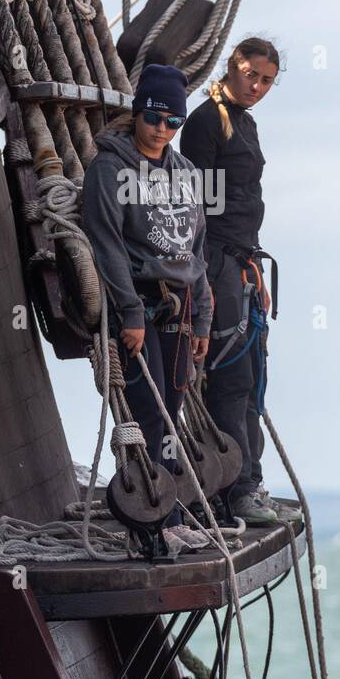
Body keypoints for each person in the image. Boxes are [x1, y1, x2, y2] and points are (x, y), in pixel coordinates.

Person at [82, 64, 213, 553]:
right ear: (139, 113)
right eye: (154, 118)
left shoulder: (185, 174)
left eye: (172, 123)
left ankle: (169, 511)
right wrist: (130, 314)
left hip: (180, 312)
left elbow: (195, 252)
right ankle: (147, 524)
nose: (162, 129)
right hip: (137, 308)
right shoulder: (110, 169)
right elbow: (106, 244)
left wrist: (201, 316)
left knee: (172, 409)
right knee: (147, 414)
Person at [181, 38, 300, 525]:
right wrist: (208, 277)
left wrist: (250, 264)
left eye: (267, 80)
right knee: (230, 378)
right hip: (216, 262)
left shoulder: (245, 122)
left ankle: (249, 482)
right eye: (251, 74)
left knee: (253, 379)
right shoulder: (207, 121)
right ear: (232, 67)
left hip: (240, 262)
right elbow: (196, 207)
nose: (257, 86)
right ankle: (233, 491)